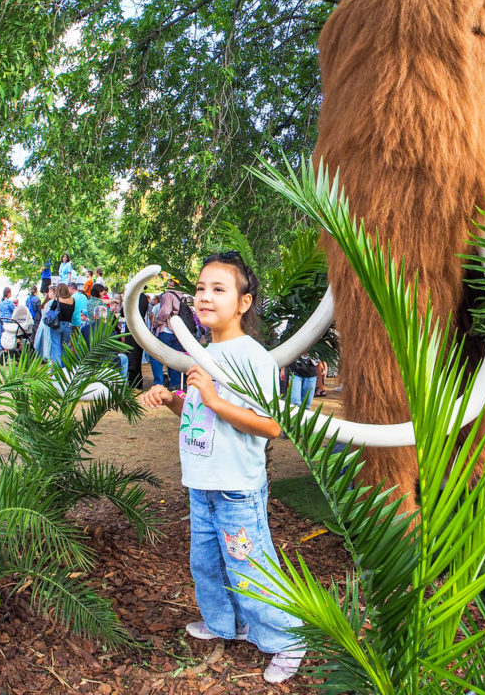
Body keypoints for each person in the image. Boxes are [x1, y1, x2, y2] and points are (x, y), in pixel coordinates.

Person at [137, 251, 304, 683]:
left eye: (218, 289)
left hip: (236, 489)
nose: (204, 296)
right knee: (207, 564)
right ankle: (226, 624)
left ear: (243, 303)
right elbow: (199, 416)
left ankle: (288, 639)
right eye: (199, 288)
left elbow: (271, 426)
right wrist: (172, 400)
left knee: (250, 569)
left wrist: (213, 397)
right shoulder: (200, 352)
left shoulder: (254, 358)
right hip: (201, 483)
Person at [154, 282, 188, 389]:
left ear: (173, 283)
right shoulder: (182, 296)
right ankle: (176, 384)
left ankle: (159, 383)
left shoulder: (168, 294)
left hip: (167, 330)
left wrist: (157, 322)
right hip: (179, 333)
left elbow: (165, 311)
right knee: (175, 358)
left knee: (155, 356)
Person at [48, 283, 76, 365]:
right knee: (65, 346)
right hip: (67, 325)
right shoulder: (72, 300)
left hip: (57, 325)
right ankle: (64, 368)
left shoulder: (57, 300)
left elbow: (51, 311)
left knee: (56, 346)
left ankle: (57, 369)